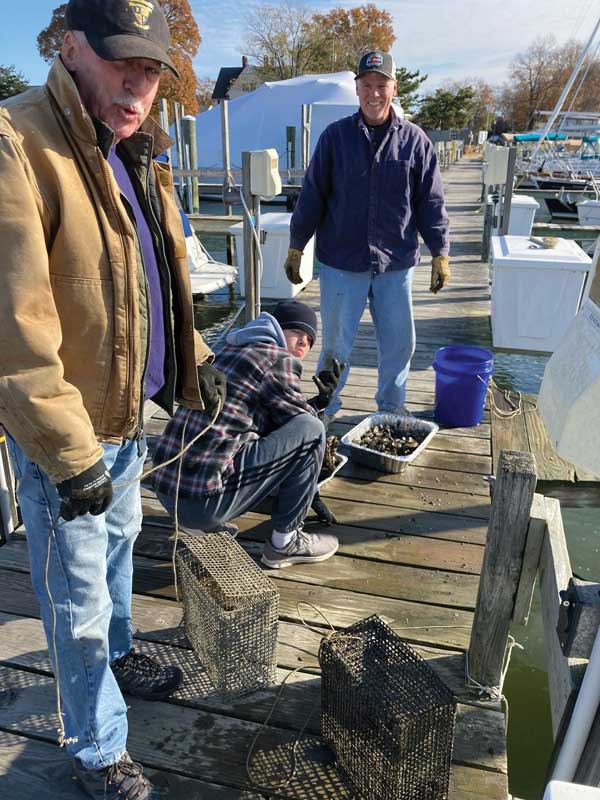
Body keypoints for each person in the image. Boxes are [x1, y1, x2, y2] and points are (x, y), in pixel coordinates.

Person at [0, 1, 226, 797]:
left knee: (124, 546)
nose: (139, 83)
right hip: (73, 432)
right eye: (121, 60)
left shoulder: (133, 147)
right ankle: (98, 747)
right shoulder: (17, 142)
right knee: (77, 597)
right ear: (69, 47)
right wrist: (65, 454)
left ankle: (124, 659)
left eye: (152, 68)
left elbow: (154, 281)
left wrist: (196, 356)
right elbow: (13, 328)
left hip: (132, 418)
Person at [283, 50, 451, 425]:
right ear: (356, 89)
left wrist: (441, 251)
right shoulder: (334, 138)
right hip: (342, 263)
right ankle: (327, 407)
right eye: (367, 86)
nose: (374, 94)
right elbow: (312, 195)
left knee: (399, 344)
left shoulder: (416, 142)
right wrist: (297, 244)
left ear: (394, 89)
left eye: (381, 86)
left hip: (396, 264)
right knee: (334, 346)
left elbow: (431, 201)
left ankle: (391, 407)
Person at [152, 300, 341, 569]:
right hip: (202, 506)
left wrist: (317, 403)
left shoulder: (225, 351)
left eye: (309, 341)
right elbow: (303, 428)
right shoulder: (277, 358)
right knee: (313, 430)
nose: (303, 344)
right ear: (277, 328)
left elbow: (274, 419)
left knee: (294, 429)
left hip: (169, 495)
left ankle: (203, 524)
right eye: (297, 334)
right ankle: (285, 543)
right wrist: (320, 407)